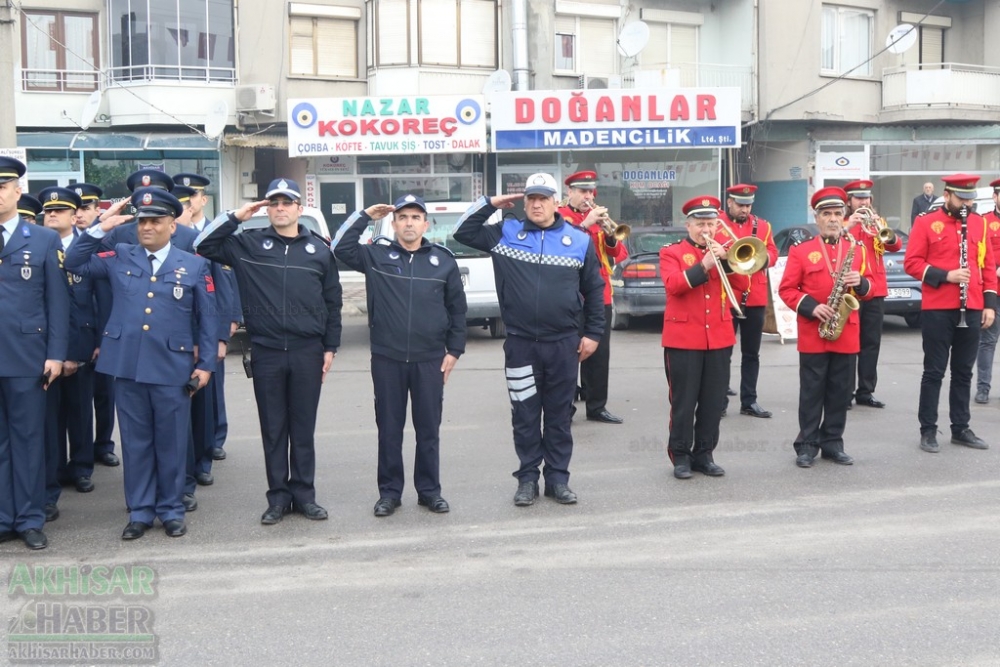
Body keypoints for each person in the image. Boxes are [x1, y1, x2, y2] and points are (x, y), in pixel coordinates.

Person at [65, 190, 216, 540]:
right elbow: (74, 262)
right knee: (135, 443)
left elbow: (208, 319)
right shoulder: (119, 255)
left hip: (172, 367)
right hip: (128, 365)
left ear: (172, 226)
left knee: (172, 442)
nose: (147, 227)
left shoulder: (193, 264)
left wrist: (206, 364)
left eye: (155, 221)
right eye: (142, 221)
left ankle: (171, 509)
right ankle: (141, 510)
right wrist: (100, 227)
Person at [195, 178, 342, 525]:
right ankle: (277, 498)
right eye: (273, 202)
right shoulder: (248, 244)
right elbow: (203, 244)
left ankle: (304, 495)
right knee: (274, 429)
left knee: (302, 428)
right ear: (266, 208)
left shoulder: (319, 249)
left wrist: (330, 347)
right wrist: (237, 216)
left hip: (308, 350)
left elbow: (332, 302)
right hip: (267, 351)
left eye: (286, 202)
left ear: (298, 209)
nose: (280, 208)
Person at [453, 173, 605, 507]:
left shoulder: (578, 240)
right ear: (524, 203)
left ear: (555, 202)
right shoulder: (506, 233)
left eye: (543, 198)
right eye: (531, 199)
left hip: (563, 345)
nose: (537, 204)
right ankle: (526, 480)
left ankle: (558, 480)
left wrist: (593, 333)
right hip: (521, 344)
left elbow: (594, 290)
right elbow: (462, 231)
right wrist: (489, 203)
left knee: (559, 415)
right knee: (524, 414)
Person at [333, 195, 467, 517]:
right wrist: (364, 215)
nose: (409, 222)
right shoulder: (376, 256)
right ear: (393, 224)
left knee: (428, 429)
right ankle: (390, 493)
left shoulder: (443, 261)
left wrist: (454, 351)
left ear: (425, 224)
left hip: (429, 359)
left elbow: (457, 310)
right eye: (403, 217)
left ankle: (429, 491)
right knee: (389, 430)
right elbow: (339, 248)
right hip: (387, 358)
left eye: (415, 217)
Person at [0, 157, 70, 550]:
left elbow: (57, 302)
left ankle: (29, 518)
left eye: (2, 186)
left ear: (16, 192)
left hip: (28, 355)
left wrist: (56, 354)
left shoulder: (42, 239)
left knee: (27, 439)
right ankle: (3, 515)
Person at [779, 187, 874, 468]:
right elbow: (786, 290)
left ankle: (833, 442)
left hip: (847, 330)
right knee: (812, 392)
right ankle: (807, 445)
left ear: (844, 216)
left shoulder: (858, 249)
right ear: (817, 218)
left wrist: (862, 283)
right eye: (827, 214)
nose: (833, 219)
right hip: (814, 331)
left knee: (841, 392)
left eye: (837, 213)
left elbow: (873, 287)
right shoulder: (802, 251)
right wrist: (811, 306)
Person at [904, 174, 998, 453]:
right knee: (933, 372)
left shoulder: (979, 224)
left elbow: (987, 267)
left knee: (963, 373)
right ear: (947, 195)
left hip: (971, 307)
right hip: (937, 308)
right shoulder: (925, 222)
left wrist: (989, 304)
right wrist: (946, 275)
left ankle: (961, 427)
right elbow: (912, 263)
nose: (967, 204)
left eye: (970, 199)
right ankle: (928, 429)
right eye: (962, 199)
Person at [660, 196, 749, 479]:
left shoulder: (725, 252)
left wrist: (729, 262)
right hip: (683, 338)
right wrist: (705, 264)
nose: (706, 229)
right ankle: (681, 457)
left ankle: (705, 454)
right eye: (700, 224)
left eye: (710, 223)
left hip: (719, 337)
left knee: (713, 402)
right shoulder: (672, 252)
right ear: (688, 225)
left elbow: (744, 285)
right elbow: (674, 286)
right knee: (684, 403)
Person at [37, 187, 98, 526]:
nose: (52, 216)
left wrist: (91, 345)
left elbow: (98, 297)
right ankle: (56, 469)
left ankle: (83, 468)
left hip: (81, 341)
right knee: (50, 418)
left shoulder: (86, 246)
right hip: (45, 349)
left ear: (75, 215)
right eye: (48, 211)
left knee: (79, 410)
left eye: (60, 211)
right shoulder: (37, 247)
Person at [174, 173, 237, 463]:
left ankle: (214, 439)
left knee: (211, 387)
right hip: (179, 332)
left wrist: (227, 326)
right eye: (181, 198)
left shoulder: (214, 233)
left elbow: (228, 282)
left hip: (208, 327)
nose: (188, 202)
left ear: (203, 200)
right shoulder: (171, 233)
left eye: (192, 197)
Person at [557, 170, 626, 424]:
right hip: (569, 294)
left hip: (599, 292)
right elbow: (561, 241)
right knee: (567, 353)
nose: (588, 196)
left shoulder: (599, 217)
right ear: (570, 192)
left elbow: (617, 253)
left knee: (599, 353)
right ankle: (565, 408)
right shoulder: (560, 216)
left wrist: (609, 235)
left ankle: (597, 406)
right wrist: (586, 223)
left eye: (591, 191)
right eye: (583, 191)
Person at [717, 184, 778, 418]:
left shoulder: (762, 226)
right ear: (729, 202)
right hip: (726, 296)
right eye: (740, 205)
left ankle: (749, 401)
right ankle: (719, 399)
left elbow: (772, 253)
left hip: (754, 296)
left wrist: (760, 259)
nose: (744, 209)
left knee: (751, 353)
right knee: (723, 352)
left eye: (748, 205)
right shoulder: (717, 224)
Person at [843, 179, 902, 409]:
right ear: (849, 202)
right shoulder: (843, 221)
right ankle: (845, 392)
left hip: (875, 289)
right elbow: (830, 242)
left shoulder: (878, 222)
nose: (864, 202)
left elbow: (895, 246)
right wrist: (848, 225)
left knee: (871, 343)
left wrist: (879, 228)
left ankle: (865, 391)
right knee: (849, 343)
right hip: (851, 290)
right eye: (859, 198)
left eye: (867, 198)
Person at [975, 178, 1000, 404]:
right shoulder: (985, 223)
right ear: (995, 197)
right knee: (988, 341)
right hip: (995, 292)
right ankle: (983, 387)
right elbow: (981, 257)